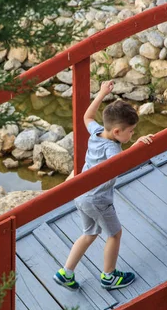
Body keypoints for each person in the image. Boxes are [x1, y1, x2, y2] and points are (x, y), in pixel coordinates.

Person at [54, 80, 153, 291]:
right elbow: (119, 166)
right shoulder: (112, 149)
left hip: (81, 194)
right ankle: (109, 276)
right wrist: (136, 147)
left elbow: (87, 117)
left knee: (89, 233)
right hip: (97, 199)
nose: (132, 135)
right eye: (131, 132)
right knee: (114, 234)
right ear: (117, 132)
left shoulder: (97, 132)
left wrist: (100, 94)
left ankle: (66, 272)